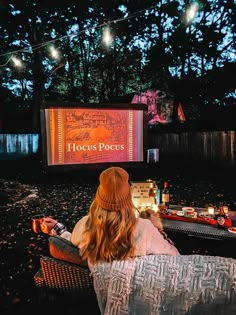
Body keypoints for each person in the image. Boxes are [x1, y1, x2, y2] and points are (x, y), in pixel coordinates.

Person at [40, 166, 179, 270]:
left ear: (98, 198)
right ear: (129, 199)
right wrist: (160, 232)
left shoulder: (84, 225)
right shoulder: (145, 229)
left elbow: (71, 244)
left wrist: (57, 228)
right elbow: (175, 258)